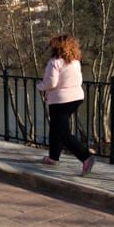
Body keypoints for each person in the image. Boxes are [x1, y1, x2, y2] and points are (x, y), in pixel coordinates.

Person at [36, 34, 94, 176]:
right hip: (76, 98)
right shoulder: (75, 61)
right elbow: (78, 80)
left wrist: (40, 86)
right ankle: (53, 157)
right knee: (57, 128)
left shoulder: (54, 62)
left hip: (60, 100)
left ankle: (85, 157)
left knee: (63, 133)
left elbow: (51, 83)